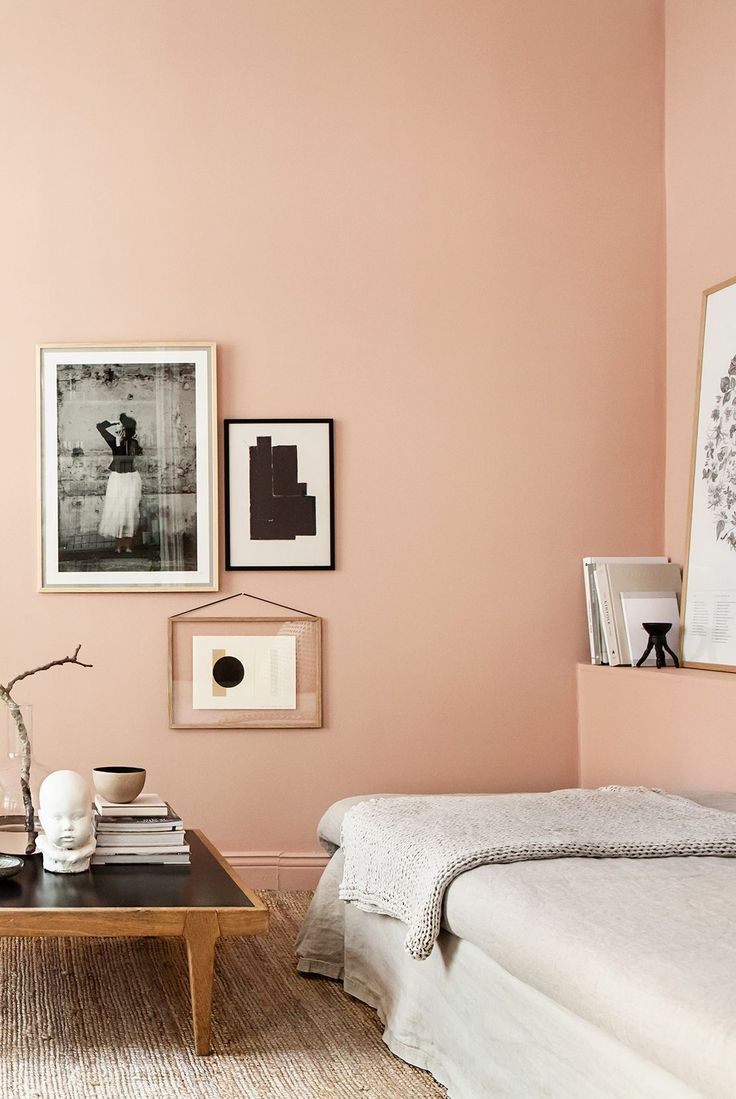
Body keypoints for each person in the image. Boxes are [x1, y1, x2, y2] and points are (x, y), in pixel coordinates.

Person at [97, 412, 143, 553]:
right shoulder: (114, 440)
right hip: (117, 479)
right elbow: (100, 427)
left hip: (130, 478)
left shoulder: (133, 443)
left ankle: (127, 545)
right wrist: (113, 421)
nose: (119, 429)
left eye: (122, 427)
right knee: (117, 511)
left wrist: (119, 443)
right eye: (119, 427)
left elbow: (127, 458)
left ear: (126, 430)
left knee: (128, 511)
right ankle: (118, 545)